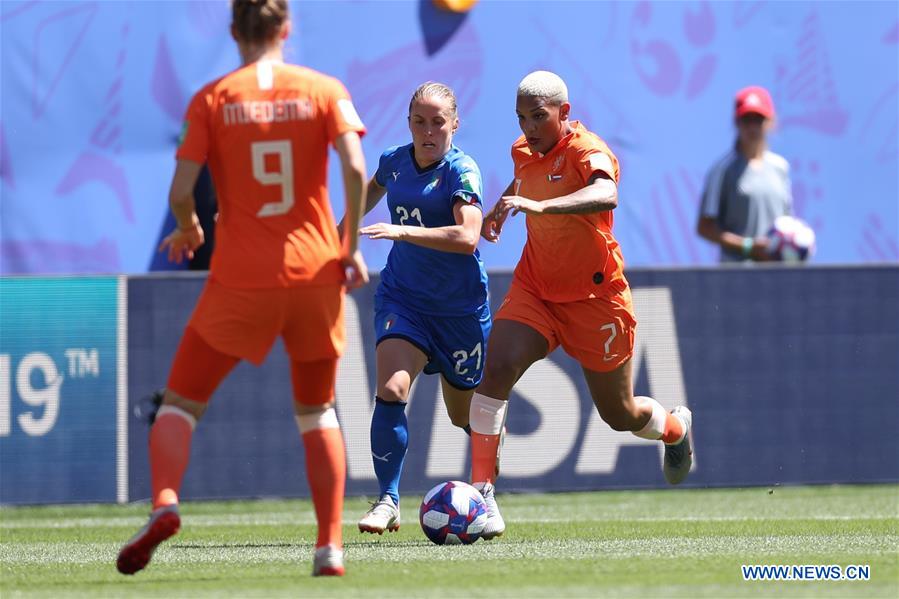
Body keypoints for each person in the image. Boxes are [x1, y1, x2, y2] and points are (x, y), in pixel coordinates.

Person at [116, 0, 368, 577]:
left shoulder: (212, 98)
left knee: (179, 405)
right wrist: (350, 245)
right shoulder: (325, 89)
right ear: (287, 27)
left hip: (241, 278)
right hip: (314, 273)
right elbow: (355, 167)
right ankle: (329, 547)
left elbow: (182, 189)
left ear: (233, 31)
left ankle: (166, 504)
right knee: (317, 412)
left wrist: (188, 226)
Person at [468, 71, 694, 539]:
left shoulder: (587, 148)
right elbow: (525, 180)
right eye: (521, 117)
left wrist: (545, 207)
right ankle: (482, 494)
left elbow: (605, 191)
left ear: (563, 113)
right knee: (497, 368)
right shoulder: (523, 150)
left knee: (620, 415)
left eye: (538, 116)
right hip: (537, 288)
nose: (529, 126)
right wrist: (501, 206)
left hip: (595, 298)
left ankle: (675, 429)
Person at [352, 82, 490, 535]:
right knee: (392, 388)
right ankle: (387, 500)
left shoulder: (461, 171)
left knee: (463, 416)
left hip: (458, 309)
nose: (428, 131)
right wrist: (339, 232)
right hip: (403, 297)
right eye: (419, 121)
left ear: (454, 124)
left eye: (437, 123)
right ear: (408, 122)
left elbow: (468, 237)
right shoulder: (395, 160)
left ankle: (486, 491)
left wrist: (400, 231)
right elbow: (371, 190)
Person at [697, 85, 793, 262]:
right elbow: (705, 227)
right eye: (746, 119)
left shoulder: (781, 168)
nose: (752, 127)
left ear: (770, 122)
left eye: (758, 119)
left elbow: (786, 223)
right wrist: (749, 247)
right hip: (736, 274)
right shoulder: (722, 170)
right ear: (737, 122)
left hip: (777, 274)